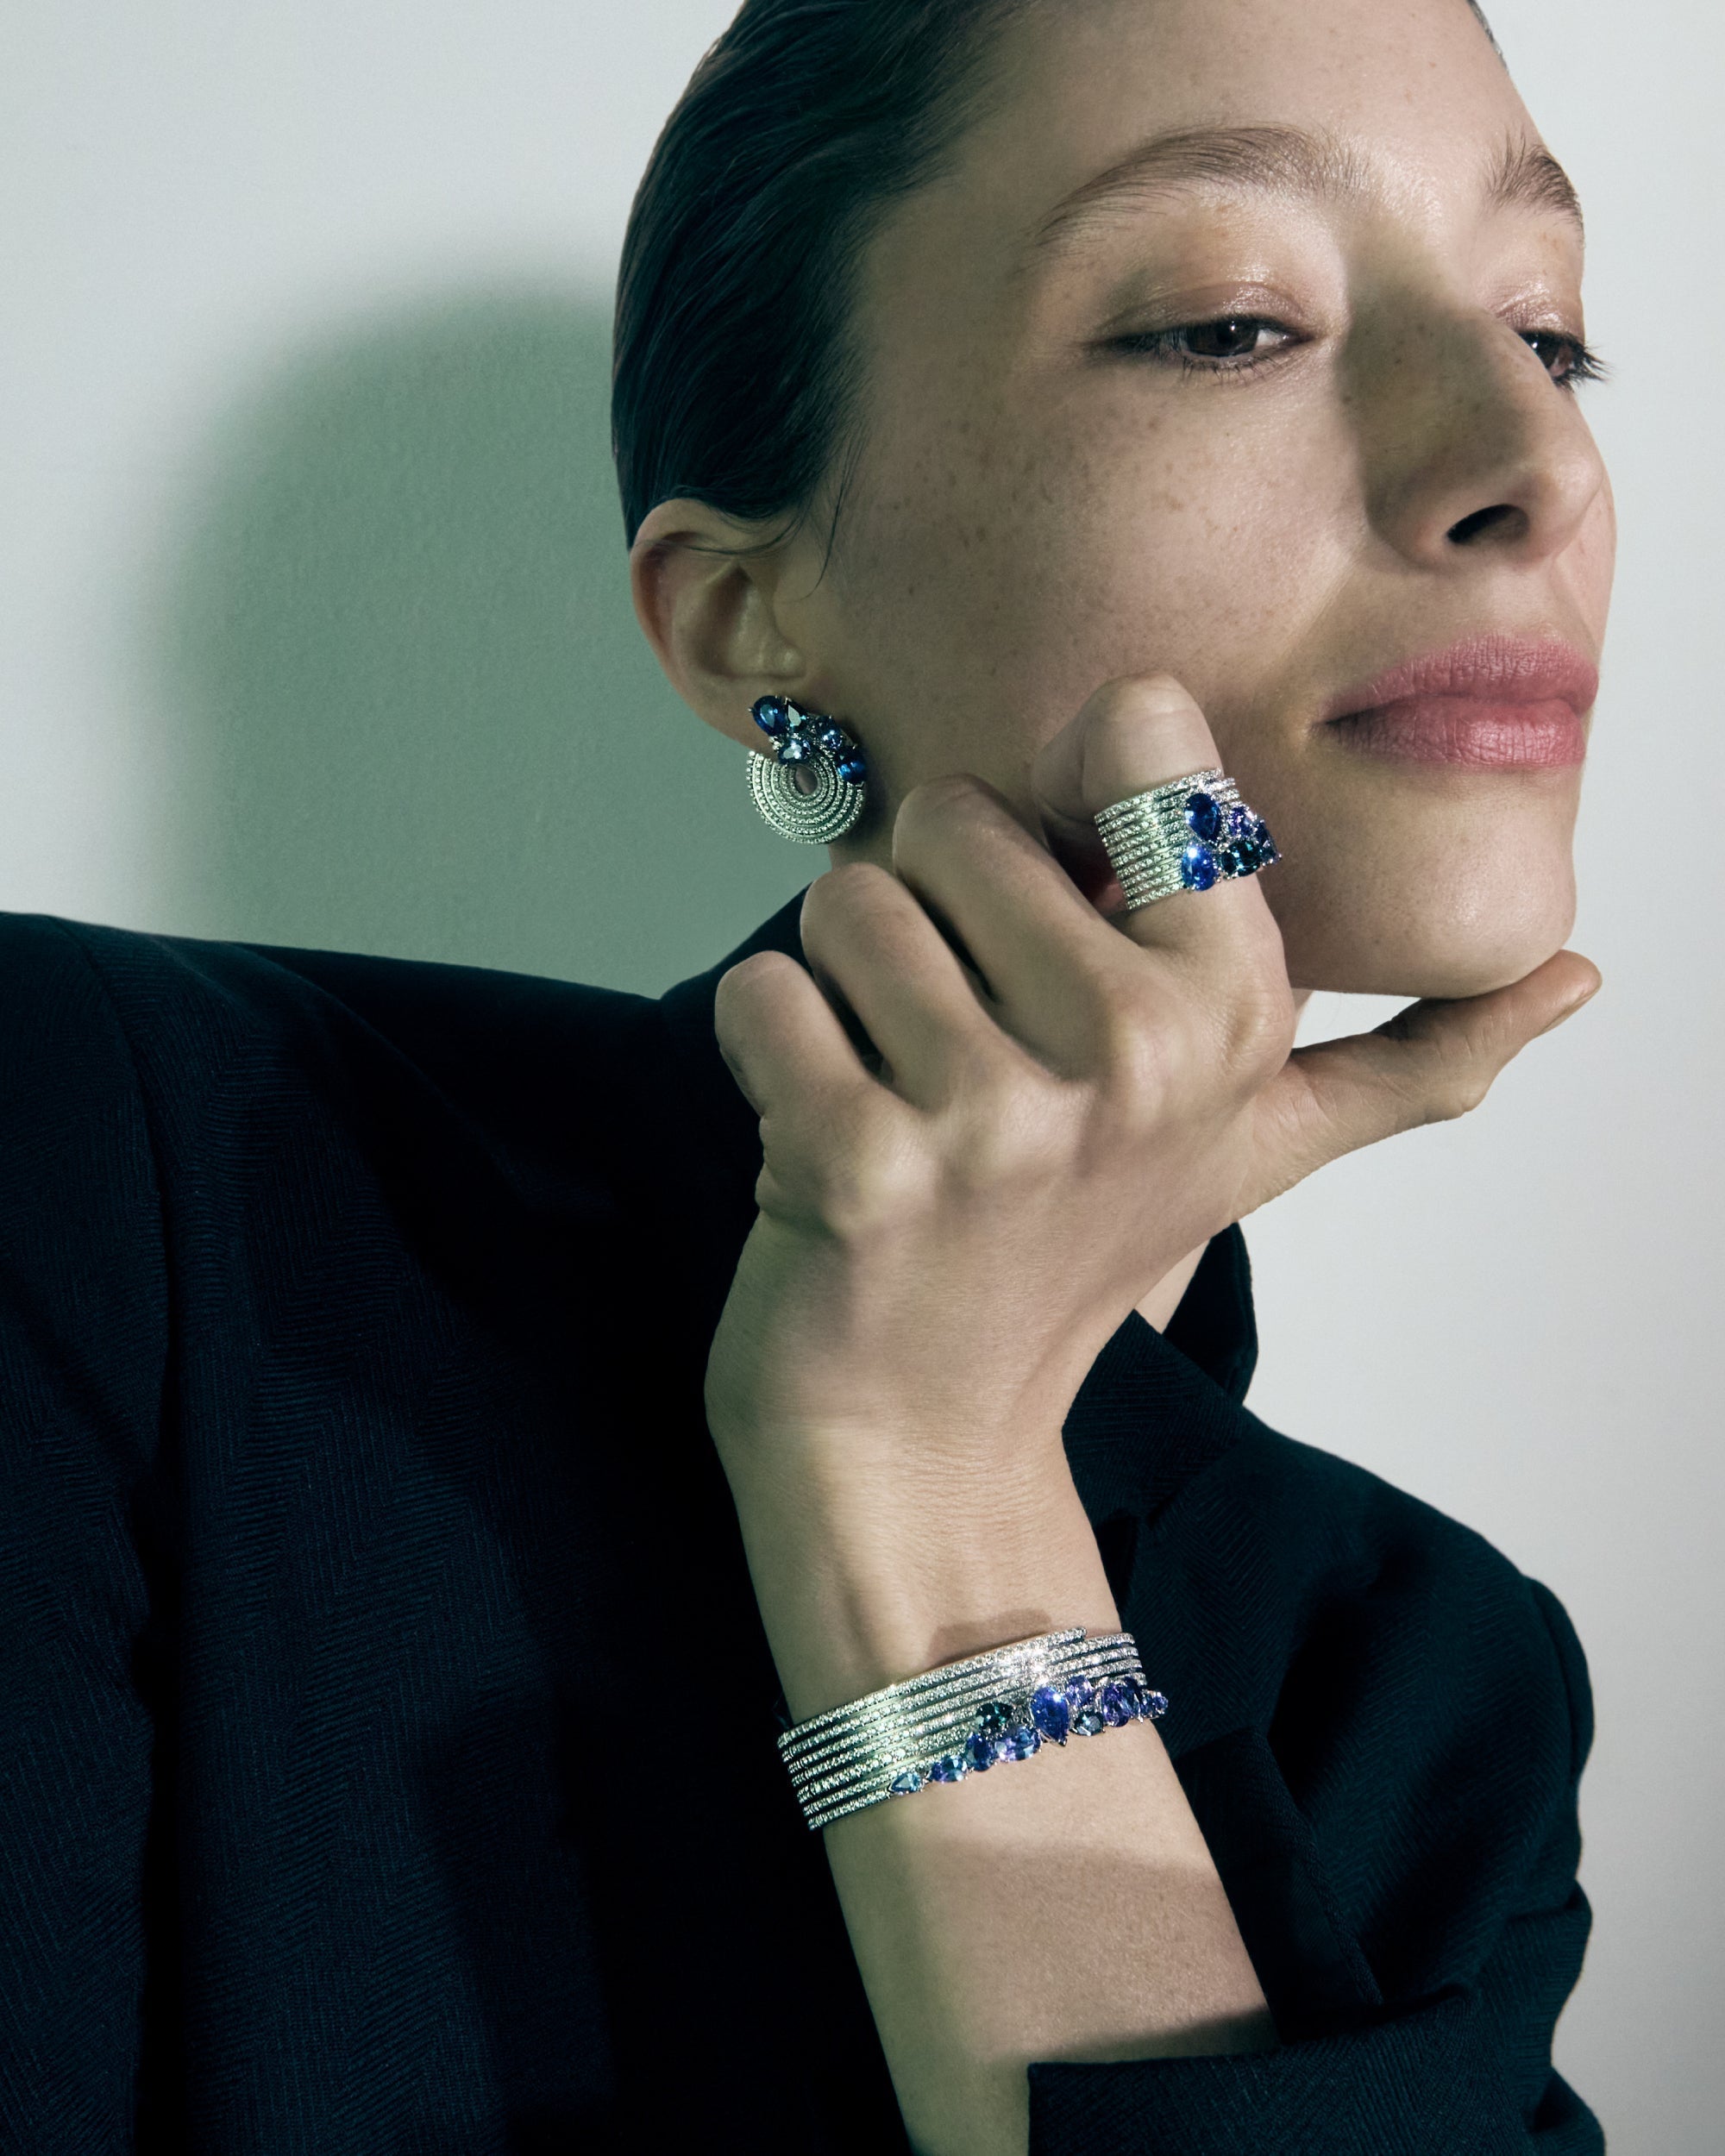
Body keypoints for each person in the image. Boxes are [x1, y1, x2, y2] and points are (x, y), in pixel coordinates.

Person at [0, 0, 1612, 2149]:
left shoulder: (1431, 1690)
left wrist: (934, 1469)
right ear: (746, 622)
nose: (1529, 460)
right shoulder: (95, 1173)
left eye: (1551, 331)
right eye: (1228, 323)